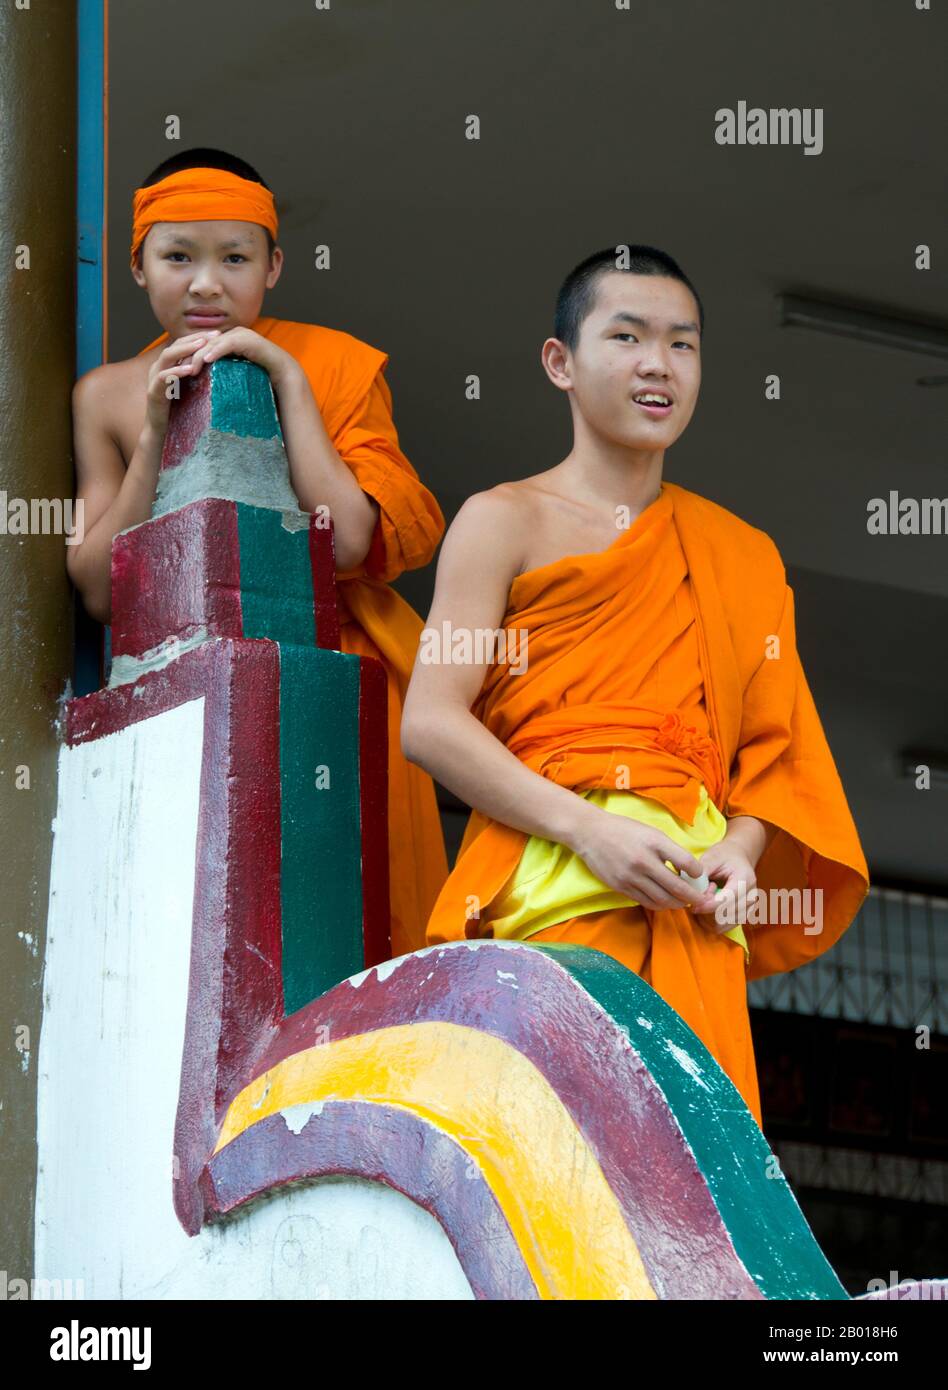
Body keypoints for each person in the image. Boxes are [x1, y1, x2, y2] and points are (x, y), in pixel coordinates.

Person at [401, 244, 869, 1128]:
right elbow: (429, 722)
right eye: (627, 336)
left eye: (682, 345)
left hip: (692, 912)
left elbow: (772, 756)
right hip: (555, 894)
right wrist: (590, 830)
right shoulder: (504, 521)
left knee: (696, 1183)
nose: (659, 364)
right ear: (561, 364)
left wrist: (742, 850)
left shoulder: (741, 554)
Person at [67, 147, 448, 959]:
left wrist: (288, 381)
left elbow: (345, 538)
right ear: (138, 266)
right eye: (178, 257)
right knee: (205, 932)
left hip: (336, 677)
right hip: (184, 678)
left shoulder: (335, 362)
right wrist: (152, 433)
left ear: (273, 266)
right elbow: (102, 588)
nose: (207, 284)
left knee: (350, 927)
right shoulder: (103, 394)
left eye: (234, 258)